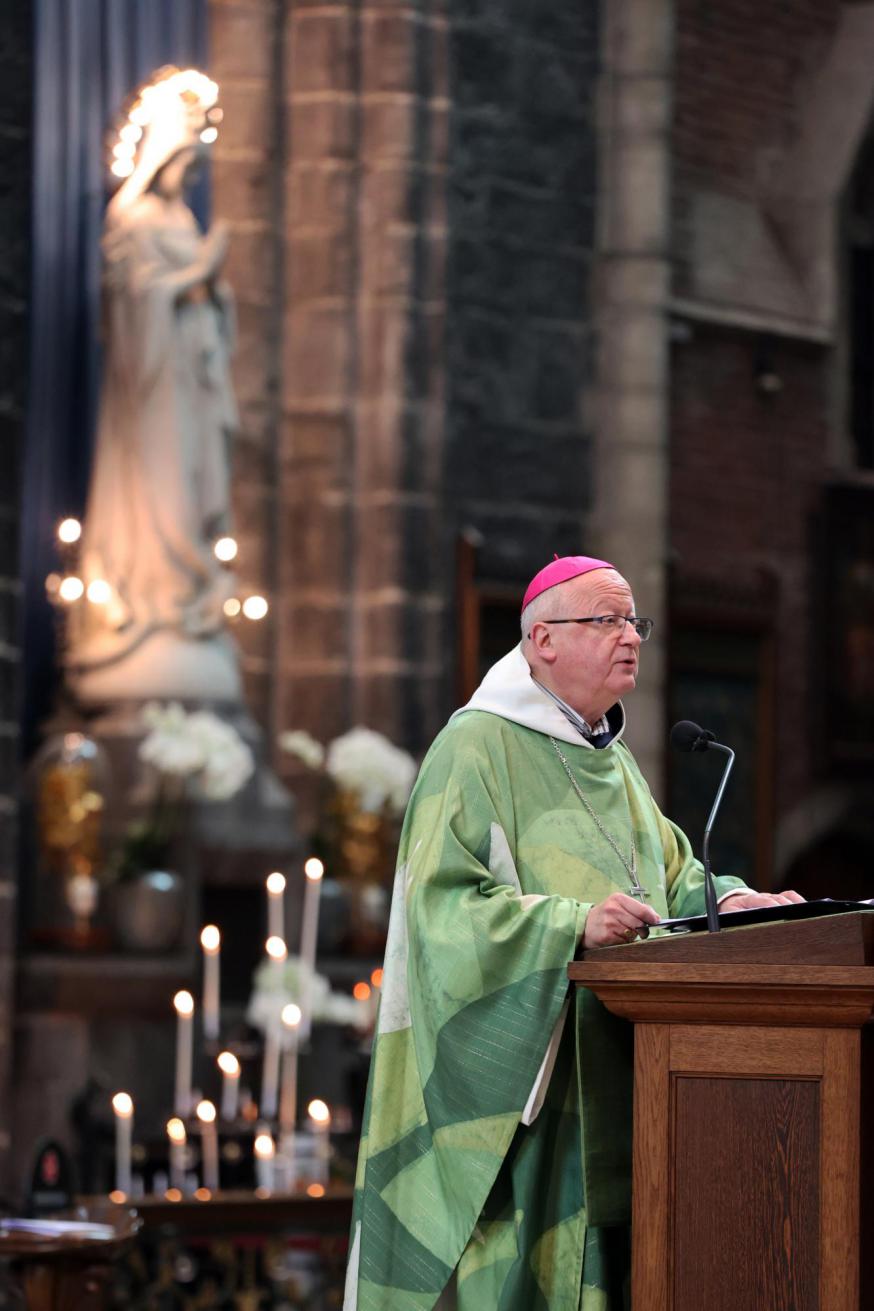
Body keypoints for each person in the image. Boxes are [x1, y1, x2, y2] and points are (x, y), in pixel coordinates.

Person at [344, 556, 802, 1311]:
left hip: (636, 1074)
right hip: (539, 1096)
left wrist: (740, 901)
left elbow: (674, 878)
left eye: (634, 622)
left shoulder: (613, 761)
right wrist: (571, 925)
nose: (631, 637)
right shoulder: (473, 748)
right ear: (544, 638)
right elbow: (440, 914)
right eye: (608, 620)